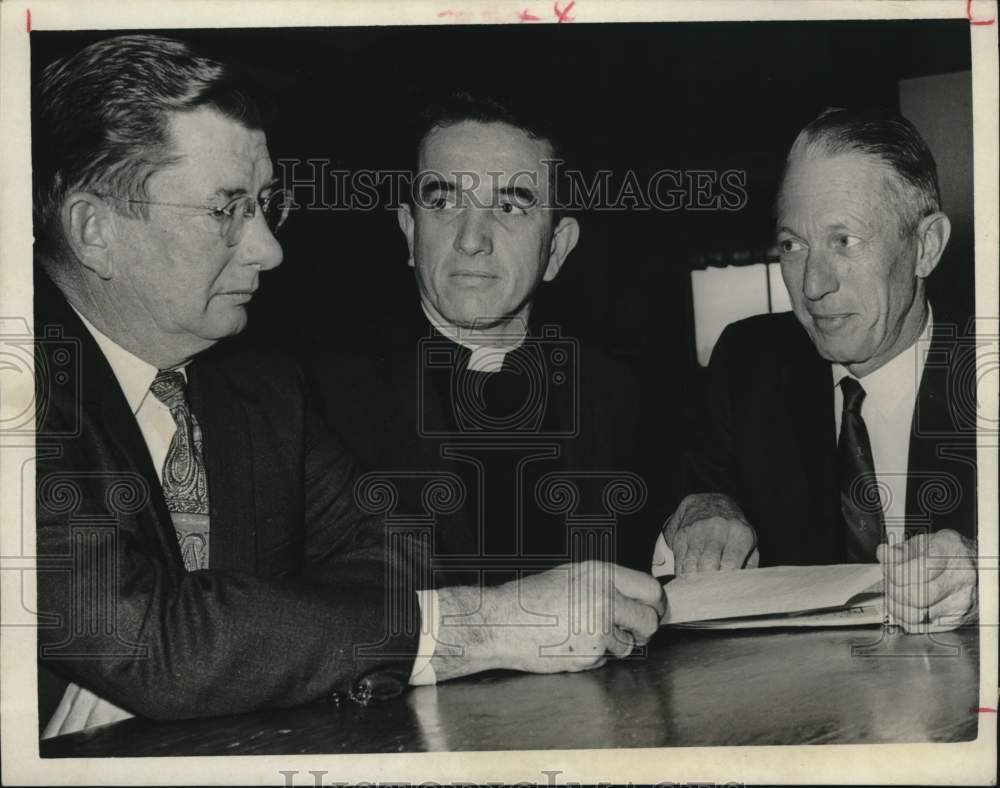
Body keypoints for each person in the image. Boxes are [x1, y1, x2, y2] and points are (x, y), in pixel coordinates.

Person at [32, 35, 665, 739]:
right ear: (94, 231)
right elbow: (151, 644)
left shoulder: (260, 389)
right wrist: (477, 625)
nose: (269, 249)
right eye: (226, 210)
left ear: (560, 247)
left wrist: (219, 657)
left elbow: (396, 555)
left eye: (266, 205)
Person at [309, 93, 670, 586]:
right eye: (443, 202)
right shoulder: (315, 402)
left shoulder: (621, 398)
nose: (472, 238)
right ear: (409, 232)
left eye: (510, 205)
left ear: (557, 250)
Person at [671, 108, 977, 630]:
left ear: (926, 247)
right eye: (793, 246)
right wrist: (700, 510)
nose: (813, 285)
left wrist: (982, 566)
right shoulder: (750, 363)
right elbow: (690, 489)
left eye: (845, 241)